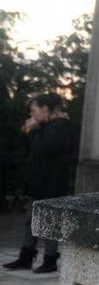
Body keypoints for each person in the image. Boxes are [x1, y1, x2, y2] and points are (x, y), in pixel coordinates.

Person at [3, 93, 75, 274]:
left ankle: (50, 260)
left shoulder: (61, 127)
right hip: (39, 182)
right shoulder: (46, 126)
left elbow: (45, 149)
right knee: (31, 220)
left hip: (53, 183)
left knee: (50, 221)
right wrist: (30, 131)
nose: (31, 114)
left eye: (34, 110)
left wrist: (33, 131)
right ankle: (26, 257)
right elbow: (32, 149)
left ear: (45, 108)